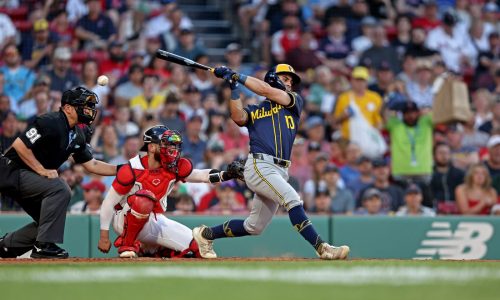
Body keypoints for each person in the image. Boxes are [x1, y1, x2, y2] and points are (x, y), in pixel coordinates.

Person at [192, 64, 350, 260]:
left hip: (281, 169)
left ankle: (205, 234)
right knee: (292, 199)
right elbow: (238, 117)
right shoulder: (256, 110)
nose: (290, 82)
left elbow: (266, 90)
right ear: (273, 77)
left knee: (254, 226)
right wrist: (234, 88)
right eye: (286, 78)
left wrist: (237, 75)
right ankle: (322, 247)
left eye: (291, 80)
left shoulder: (293, 101)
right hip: (260, 164)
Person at [0, 87, 118, 259]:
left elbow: (91, 164)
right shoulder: (50, 121)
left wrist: (122, 169)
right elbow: (20, 145)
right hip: (11, 170)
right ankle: (43, 247)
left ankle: (5, 246)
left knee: (47, 221)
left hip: (27, 179)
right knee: (60, 188)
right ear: (68, 108)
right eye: (84, 105)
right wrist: (41, 170)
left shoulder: (77, 134)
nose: (90, 110)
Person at [97, 126, 242, 258]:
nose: (171, 148)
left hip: (153, 219)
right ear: (152, 147)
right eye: (165, 144)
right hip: (124, 219)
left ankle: (152, 250)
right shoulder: (131, 168)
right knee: (143, 199)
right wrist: (104, 236)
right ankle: (127, 245)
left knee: (196, 248)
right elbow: (108, 202)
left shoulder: (174, 166)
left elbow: (200, 175)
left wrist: (226, 174)